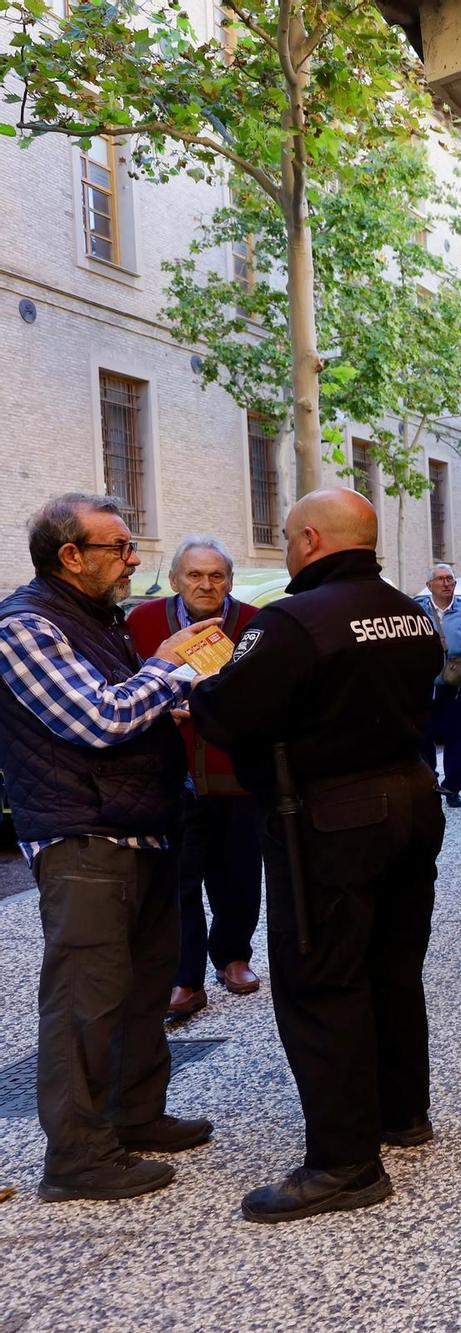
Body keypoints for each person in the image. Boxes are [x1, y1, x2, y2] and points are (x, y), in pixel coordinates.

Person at [190, 488, 446, 1223]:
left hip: (331, 816)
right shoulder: (409, 610)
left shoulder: (293, 620)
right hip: (411, 800)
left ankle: (344, 1162)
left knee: (321, 979)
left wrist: (205, 687)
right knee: (393, 965)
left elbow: (227, 713)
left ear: (307, 539)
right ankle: (402, 1113)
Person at [0, 493, 219, 1202]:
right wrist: (170, 667)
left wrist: (166, 689)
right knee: (82, 1003)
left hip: (144, 827)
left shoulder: (101, 619)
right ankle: (77, 1157)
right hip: (84, 837)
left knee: (141, 988)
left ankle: (135, 1114)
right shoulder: (23, 626)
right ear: (70, 556)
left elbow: (128, 704)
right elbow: (98, 717)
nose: (132, 561)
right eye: (118, 548)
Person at [127, 535, 264, 1023]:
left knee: (240, 873)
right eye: (195, 575)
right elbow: (126, 690)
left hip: (236, 771)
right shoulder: (141, 622)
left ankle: (233, 956)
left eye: (217, 575)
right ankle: (184, 978)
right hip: (171, 774)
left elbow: (267, 692)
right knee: (178, 879)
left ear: (230, 579)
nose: (206, 584)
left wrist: (218, 706)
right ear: (175, 579)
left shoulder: (254, 624)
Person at [417, 563, 461, 808]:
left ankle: (453, 787)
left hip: (458, 686)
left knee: (457, 739)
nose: (446, 583)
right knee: (424, 737)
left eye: (450, 579)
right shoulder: (418, 611)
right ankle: (428, 782)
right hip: (426, 686)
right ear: (429, 585)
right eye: (441, 579)